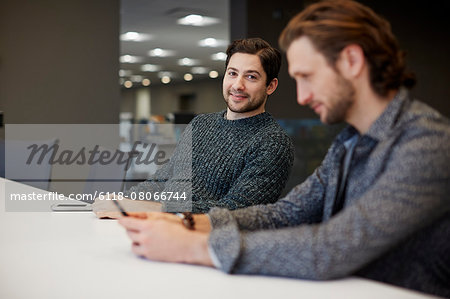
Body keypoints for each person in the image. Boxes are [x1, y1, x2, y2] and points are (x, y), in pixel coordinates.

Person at [117, 1, 450, 297]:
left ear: (351, 61)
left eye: (307, 76)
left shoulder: (426, 144)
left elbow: (332, 246)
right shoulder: (350, 142)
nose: (302, 97)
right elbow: (285, 214)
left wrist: (196, 246)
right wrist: (189, 223)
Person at [93, 38, 294, 216]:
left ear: (271, 86)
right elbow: (163, 180)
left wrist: (149, 208)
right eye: (232, 73)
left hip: (202, 248)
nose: (237, 85)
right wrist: (119, 202)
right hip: (159, 230)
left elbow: (236, 211)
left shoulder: (272, 142)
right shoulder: (200, 124)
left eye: (251, 77)